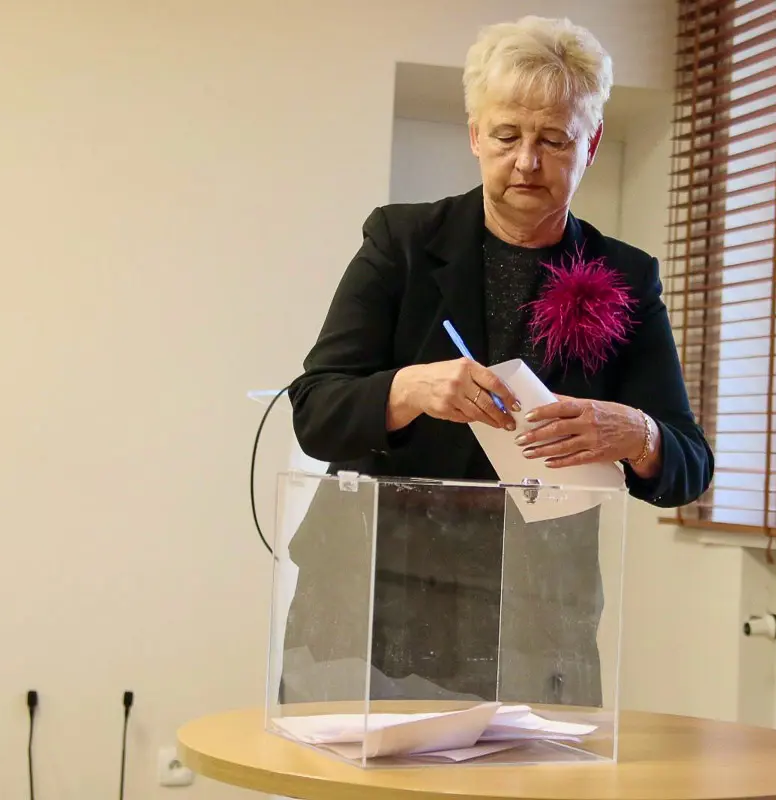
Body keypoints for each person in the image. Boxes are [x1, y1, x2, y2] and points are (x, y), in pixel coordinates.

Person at [281, 16, 713, 710]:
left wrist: (638, 434)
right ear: (475, 135)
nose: (527, 163)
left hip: (535, 612)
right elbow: (315, 410)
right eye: (508, 136)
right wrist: (408, 389)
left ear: (592, 142)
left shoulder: (626, 276)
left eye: (554, 139)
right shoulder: (401, 243)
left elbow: (689, 463)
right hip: (372, 590)